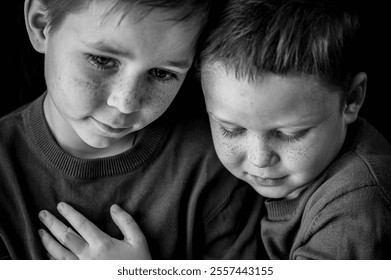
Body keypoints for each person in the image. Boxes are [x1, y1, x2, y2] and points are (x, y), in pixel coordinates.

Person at [39, 0, 391, 260]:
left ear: (352, 100)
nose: (258, 159)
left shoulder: (358, 204)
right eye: (231, 129)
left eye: (289, 134)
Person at [0, 0, 263, 260]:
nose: (126, 103)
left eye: (161, 74)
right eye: (102, 60)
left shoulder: (214, 163)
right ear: (41, 23)